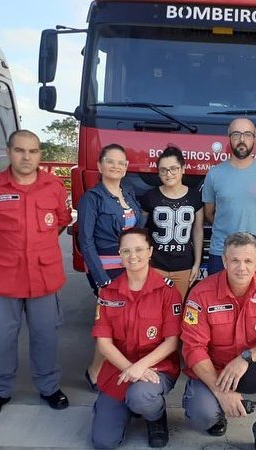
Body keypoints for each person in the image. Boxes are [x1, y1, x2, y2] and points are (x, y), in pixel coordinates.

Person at [0, 129, 72, 417]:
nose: (27, 157)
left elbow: (60, 222)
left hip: (44, 276)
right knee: (1, 336)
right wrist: (5, 246)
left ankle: (49, 387)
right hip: (4, 277)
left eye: (33, 151)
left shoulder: (54, 187)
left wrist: (37, 247)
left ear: (40, 154)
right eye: (20, 150)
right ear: (9, 151)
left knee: (46, 335)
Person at [180, 232, 256, 450]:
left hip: (250, 369)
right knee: (202, 414)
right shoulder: (201, 294)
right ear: (224, 261)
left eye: (248, 261)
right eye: (235, 260)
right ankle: (218, 412)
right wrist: (221, 392)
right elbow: (193, 349)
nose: (241, 267)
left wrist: (246, 358)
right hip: (214, 371)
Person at [90, 228, 182, 449]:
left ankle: (155, 416)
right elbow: (104, 343)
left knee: (141, 396)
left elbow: (171, 341)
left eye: (139, 249)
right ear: (120, 255)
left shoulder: (168, 292)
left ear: (150, 251)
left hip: (156, 369)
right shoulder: (108, 293)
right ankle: (120, 407)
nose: (133, 256)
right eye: (126, 251)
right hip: (118, 371)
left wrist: (140, 367)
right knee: (104, 442)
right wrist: (130, 368)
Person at [78, 144, 143, 392]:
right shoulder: (91, 199)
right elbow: (86, 241)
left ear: (126, 168)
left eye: (120, 162)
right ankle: (94, 372)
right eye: (110, 161)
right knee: (112, 324)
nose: (115, 166)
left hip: (131, 269)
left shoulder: (128, 193)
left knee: (126, 324)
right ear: (100, 166)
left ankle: (118, 367)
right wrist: (101, 279)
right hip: (107, 271)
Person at [202, 118, 256, 274]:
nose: (242, 140)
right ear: (229, 138)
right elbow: (209, 214)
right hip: (221, 253)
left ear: (254, 138)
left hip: (255, 253)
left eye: (247, 134)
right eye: (236, 134)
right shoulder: (214, 174)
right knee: (218, 298)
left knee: (254, 298)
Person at [141, 146, 204, 298]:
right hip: (156, 266)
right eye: (163, 170)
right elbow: (141, 231)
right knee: (154, 309)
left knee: (178, 310)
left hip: (183, 266)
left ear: (183, 169)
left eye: (174, 168)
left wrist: (197, 263)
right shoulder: (149, 197)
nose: (169, 174)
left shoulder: (195, 197)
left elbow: (198, 230)